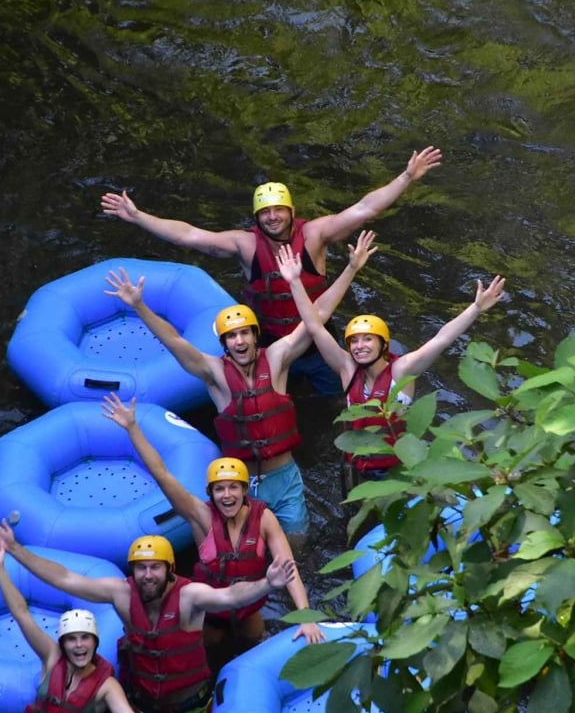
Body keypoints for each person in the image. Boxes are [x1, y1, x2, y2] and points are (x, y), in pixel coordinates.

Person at [102, 230, 378, 546]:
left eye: (245, 333)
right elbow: (174, 341)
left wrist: (351, 268)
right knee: (246, 556)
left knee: (297, 550)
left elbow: (318, 316)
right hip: (241, 484)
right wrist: (140, 306)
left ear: (255, 336)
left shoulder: (277, 358)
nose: (240, 340)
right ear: (224, 343)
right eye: (232, 336)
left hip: (285, 478)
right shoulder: (213, 373)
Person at [99, 148, 441, 393]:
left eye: (278, 211)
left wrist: (407, 176)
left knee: (336, 396)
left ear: (291, 211)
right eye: (265, 213)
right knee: (275, 399)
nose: (272, 217)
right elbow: (190, 236)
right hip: (272, 346)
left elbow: (364, 208)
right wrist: (138, 216)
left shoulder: (315, 235)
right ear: (256, 217)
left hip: (318, 342)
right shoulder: (245, 245)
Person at [0, 518, 296, 713]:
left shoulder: (189, 596)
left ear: (169, 569)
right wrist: (15, 550)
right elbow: (65, 578)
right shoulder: (120, 592)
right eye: (141, 568)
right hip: (139, 704)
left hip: (188, 708)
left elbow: (229, 596)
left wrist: (267, 583)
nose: (147, 575)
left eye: (155, 567)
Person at [100, 393, 324, 659]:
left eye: (233, 488)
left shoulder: (264, 518)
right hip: (210, 613)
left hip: (248, 608)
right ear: (210, 493)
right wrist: (132, 428)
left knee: (254, 643)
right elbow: (161, 473)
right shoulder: (199, 515)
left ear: (244, 490)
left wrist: (306, 617)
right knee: (208, 652)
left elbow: (288, 568)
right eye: (219, 489)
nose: (226, 495)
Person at [280, 242, 507, 487]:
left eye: (368, 339)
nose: (360, 346)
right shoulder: (347, 368)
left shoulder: (402, 370)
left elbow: (441, 339)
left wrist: (475, 308)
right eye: (354, 341)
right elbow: (314, 326)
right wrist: (294, 281)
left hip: (395, 471)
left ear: (383, 345)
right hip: (355, 466)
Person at [0, 533, 200, 713]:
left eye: (85, 638)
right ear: (62, 643)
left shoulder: (106, 686)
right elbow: (21, 613)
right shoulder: (52, 658)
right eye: (72, 640)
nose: (79, 646)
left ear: (95, 642)